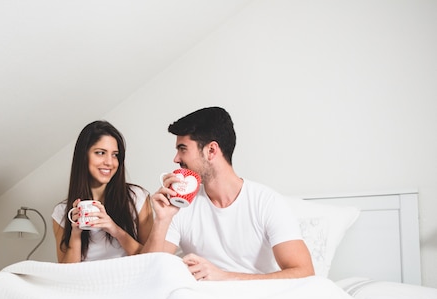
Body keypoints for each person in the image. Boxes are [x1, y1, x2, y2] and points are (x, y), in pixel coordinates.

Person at [143, 106, 314, 280]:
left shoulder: (266, 202)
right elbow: (148, 273)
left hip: (259, 298)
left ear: (211, 151)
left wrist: (224, 276)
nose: (176, 159)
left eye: (182, 149)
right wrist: (163, 219)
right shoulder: (180, 206)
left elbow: (304, 272)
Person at [52, 120, 154, 263]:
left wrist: (114, 229)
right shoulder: (62, 212)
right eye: (100, 153)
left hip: (129, 279)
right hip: (86, 283)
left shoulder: (137, 197)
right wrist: (76, 233)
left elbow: (152, 258)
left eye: (115, 155)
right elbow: (65, 272)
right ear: (84, 156)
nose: (109, 162)